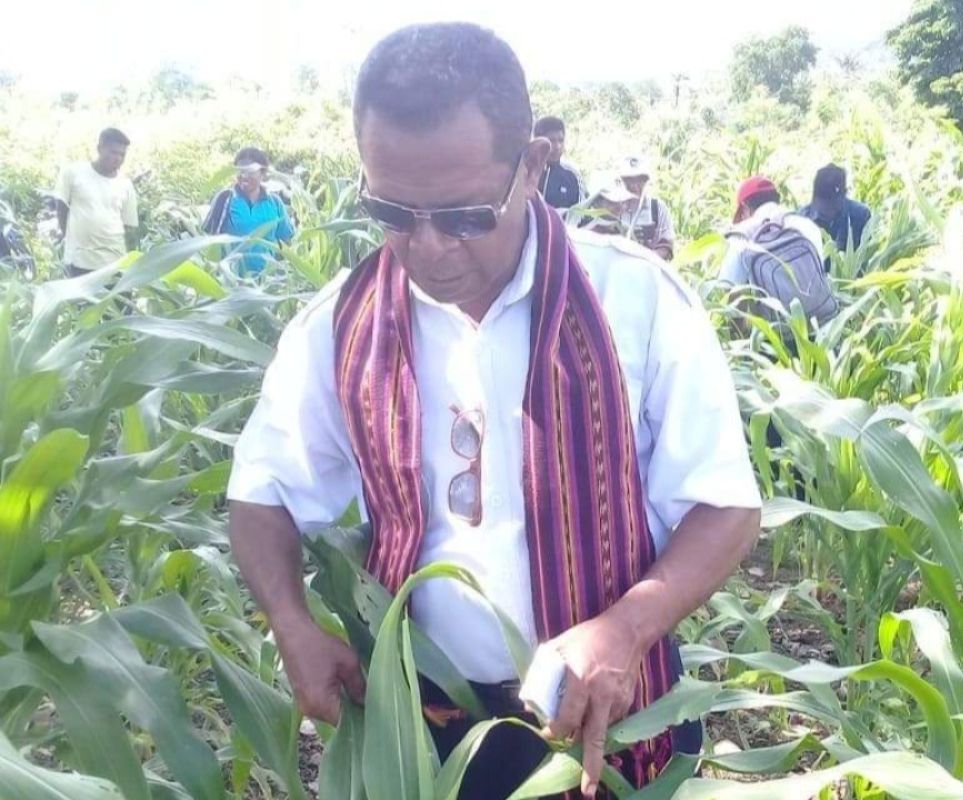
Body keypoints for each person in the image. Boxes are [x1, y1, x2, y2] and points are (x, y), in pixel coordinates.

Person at [226, 22, 760, 800]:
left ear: (534, 166)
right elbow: (262, 491)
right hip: (424, 719)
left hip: (610, 708)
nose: (429, 247)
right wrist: (294, 626)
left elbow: (725, 506)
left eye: (464, 216)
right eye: (394, 213)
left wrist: (626, 628)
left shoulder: (635, 303)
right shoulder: (337, 327)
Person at [719, 176, 837, 329]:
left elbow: (731, 294)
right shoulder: (806, 225)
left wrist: (739, 336)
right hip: (822, 325)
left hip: (776, 337)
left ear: (745, 208)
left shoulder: (740, 238)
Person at [53, 128, 139, 277]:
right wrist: (70, 238)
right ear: (99, 149)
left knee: (118, 300)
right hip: (79, 262)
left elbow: (129, 227)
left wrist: (130, 265)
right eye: (113, 152)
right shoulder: (73, 173)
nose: (118, 158)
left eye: (122, 154)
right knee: (80, 301)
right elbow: (61, 207)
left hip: (115, 263)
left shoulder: (125, 185)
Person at [202, 147, 295, 277]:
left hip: (268, 283)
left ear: (262, 173)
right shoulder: (225, 198)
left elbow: (286, 243)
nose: (244, 176)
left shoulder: (275, 203)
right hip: (231, 282)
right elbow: (210, 243)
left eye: (250, 171)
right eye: (240, 171)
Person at [801, 163, 871, 257]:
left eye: (831, 204)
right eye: (823, 203)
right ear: (814, 198)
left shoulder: (861, 216)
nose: (826, 210)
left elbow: (868, 258)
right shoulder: (802, 220)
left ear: (844, 195)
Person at [616, 156, 675, 261]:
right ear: (621, 181)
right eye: (629, 180)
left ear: (646, 180)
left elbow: (666, 247)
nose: (634, 186)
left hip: (650, 270)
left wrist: (644, 260)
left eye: (639, 180)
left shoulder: (657, 208)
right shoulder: (612, 206)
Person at [534, 116, 586, 210]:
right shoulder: (525, 171)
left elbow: (580, 214)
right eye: (552, 140)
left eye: (561, 140)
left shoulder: (571, 176)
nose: (557, 146)